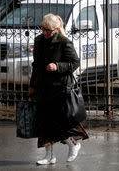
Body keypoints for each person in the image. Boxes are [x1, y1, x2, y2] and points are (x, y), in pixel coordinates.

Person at [29, 13, 88, 165]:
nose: (44, 32)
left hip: (60, 87)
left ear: (55, 30)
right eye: (43, 29)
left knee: (61, 121)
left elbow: (75, 62)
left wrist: (57, 66)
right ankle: (49, 156)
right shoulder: (39, 41)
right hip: (43, 87)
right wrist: (32, 85)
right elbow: (36, 65)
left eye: (48, 30)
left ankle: (73, 144)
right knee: (44, 122)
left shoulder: (64, 42)